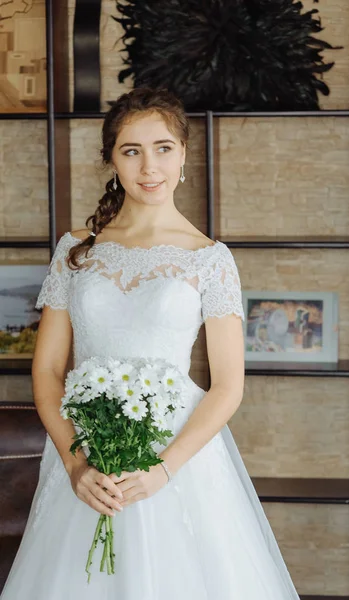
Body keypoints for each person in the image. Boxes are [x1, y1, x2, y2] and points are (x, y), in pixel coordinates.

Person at [0, 87, 300, 599]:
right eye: (131, 150)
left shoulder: (209, 258)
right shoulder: (76, 251)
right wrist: (75, 463)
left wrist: (164, 469)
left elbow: (228, 386)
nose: (149, 166)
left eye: (163, 147)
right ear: (112, 160)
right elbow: (48, 369)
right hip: (85, 448)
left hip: (176, 454)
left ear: (183, 153)